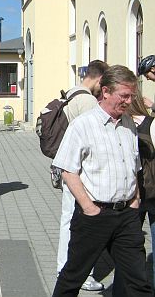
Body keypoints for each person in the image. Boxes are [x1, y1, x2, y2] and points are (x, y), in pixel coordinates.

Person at [52, 65, 151, 296]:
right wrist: (89, 207)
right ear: (105, 91)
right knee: (72, 277)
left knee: (138, 281)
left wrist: (135, 200)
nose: (129, 101)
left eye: (132, 96)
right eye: (124, 96)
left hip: (126, 215)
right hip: (94, 216)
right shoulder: (83, 125)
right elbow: (68, 170)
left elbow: (134, 167)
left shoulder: (128, 126)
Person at [55, 59, 109, 292]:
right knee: (79, 224)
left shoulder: (71, 93)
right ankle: (78, 273)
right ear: (98, 79)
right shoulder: (87, 100)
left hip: (67, 165)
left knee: (68, 220)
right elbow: (95, 137)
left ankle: (64, 267)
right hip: (80, 171)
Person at [127, 90, 155, 290]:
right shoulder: (152, 123)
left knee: (128, 248)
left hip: (130, 194)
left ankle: (130, 289)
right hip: (153, 191)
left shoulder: (121, 124)